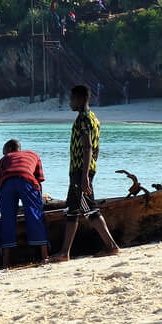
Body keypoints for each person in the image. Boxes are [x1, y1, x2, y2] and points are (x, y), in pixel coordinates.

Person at [60, 83, 121, 260]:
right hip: (80, 171)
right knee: (72, 209)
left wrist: (86, 175)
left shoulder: (83, 119)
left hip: (81, 171)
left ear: (80, 99)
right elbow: (96, 148)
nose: (70, 103)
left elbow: (87, 147)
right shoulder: (94, 118)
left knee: (89, 208)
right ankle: (65, 252)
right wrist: (92, 168)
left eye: (72, 99)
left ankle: (111, 246)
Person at [0, 139, 49, 270]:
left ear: (8, 150)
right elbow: (38, 180)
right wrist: (38, 201)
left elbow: (0, 184)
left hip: (7, 183)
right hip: (27, 180)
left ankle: (6, 262)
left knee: (7, 218)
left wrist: (0, 201)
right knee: (34, 214)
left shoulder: (4, 159)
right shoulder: (33, 155)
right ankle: (44, 256)